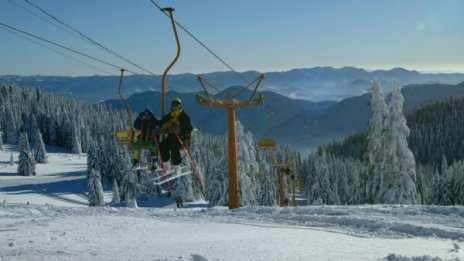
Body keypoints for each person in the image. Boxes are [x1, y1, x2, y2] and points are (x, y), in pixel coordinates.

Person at [159, 98, 193, 167]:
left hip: (181, 138)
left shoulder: (184, 117)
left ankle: (177, 166)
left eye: (176, 105)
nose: (174, 107)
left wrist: (179, 129)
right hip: (171, 137)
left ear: (180, 106)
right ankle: (166, 162)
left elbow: (189, 128)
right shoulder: (170, 115)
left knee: (174, 147)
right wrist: (156, 126)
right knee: (162, 145)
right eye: (173, 105)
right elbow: (161, 122)